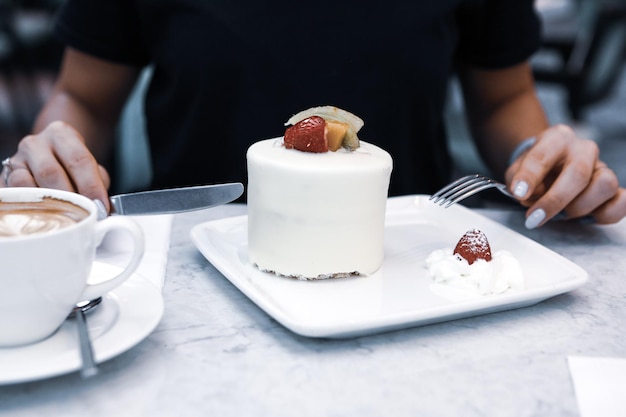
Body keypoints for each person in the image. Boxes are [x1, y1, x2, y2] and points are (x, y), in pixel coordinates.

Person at [1, 0, 624, 229]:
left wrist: (542, 159)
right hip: (195, 261)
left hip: (412, 260)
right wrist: (52, 154)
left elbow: (504, 98)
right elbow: (83, 97)